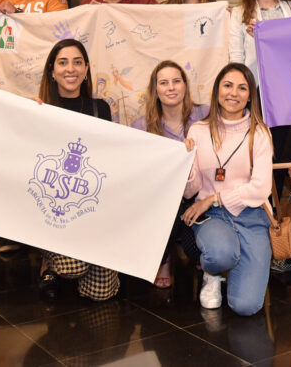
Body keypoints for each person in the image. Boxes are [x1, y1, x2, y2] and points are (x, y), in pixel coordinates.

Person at [180, 63, 273, 316]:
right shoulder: (198, 130)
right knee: (221, 254)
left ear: (250, 95)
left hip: (251, 215)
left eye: (242, 88)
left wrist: (215, 198)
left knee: (246, 307)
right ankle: (212, 274)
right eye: (228, 85)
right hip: (212, 218)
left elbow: (260, 188)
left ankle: (236, 268)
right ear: (217, 90)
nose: (234, 93)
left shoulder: (260, 133)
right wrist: (187, 163)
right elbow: (191, 193)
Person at [35, 39, 118, 301]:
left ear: (85, 69)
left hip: (89, 207)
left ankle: (88, 253)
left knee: (101, 293)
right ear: (51, 70)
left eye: (77, 62)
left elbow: (109, 159)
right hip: (53, 209)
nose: (70, 69)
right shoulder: (39, 109)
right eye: (62, 62)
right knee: (74, 268)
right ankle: (48, 262)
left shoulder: (100, 109)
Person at [131, 61, 208, 288]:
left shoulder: (205, 115)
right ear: (155, 90)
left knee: (195, 249)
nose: (171, 87)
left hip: (201, 197)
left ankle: (204, 255)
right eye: (163, 83)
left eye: (176, 81)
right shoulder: (141, 125)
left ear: (185, 85)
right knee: (167, 213)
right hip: (163, 203)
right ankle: (162, 260)